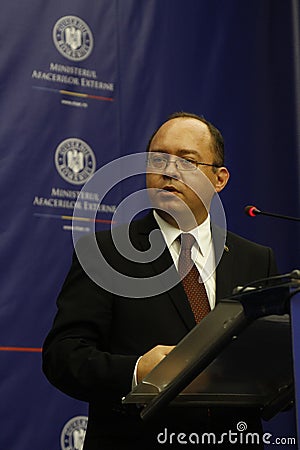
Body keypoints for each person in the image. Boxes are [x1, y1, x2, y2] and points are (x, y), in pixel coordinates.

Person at [43, 112, 277, 449]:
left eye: (186, 160)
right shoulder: (106, 252)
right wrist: (137, 372)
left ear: (219, 178)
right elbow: (63, 357)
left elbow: (271, 361)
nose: (168, 171)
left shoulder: (256, 259)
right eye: (157, 159)